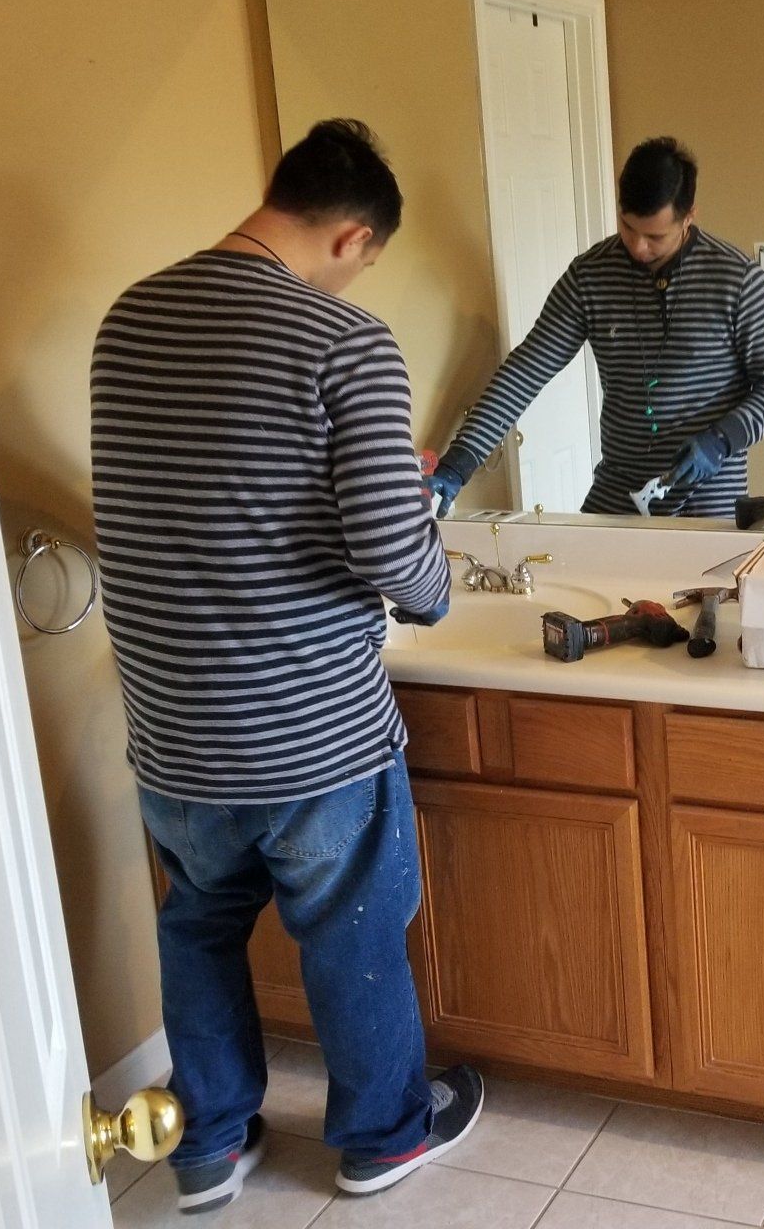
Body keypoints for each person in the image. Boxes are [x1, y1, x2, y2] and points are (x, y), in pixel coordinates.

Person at [91, 119, 482, 1213]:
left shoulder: (128, 320)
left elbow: (185, 499)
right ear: (354, 236)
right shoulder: (342, 343)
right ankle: (379, 1137)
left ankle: (209, 1144)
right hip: (313, 730)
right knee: (352, 931)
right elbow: (402, 567)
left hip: (173, 729)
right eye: (368, 264)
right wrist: (423, 535)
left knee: (200, 930)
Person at [427, 137, 764, 519]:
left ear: (689, 215)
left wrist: (724, 438)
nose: (638, 248)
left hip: (708, 492)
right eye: (627, 227)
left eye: (655, 237)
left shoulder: (737, 279)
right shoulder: (589, 275)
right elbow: (526, 371)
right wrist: (462, 458)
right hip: (618, 488)